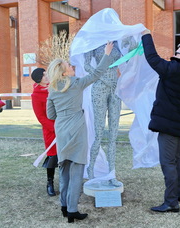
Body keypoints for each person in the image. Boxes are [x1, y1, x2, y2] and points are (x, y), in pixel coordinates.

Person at [46, 42, 114, 223]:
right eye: (69, 66)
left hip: (61, 130)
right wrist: (107, 54)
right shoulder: (76, 83)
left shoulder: (52, 89)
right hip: (76, 130)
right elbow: (97, 73)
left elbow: (50, 114)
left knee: (64, 169)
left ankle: (64, 206)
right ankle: (72, 210)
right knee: (76, 171)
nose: (72, 66)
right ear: (63, 72)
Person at [141, 29, 180, 213]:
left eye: (177, 52)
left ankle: (171, 202)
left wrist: (146, 36)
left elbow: (153, 59)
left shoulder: (176, 69)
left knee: (168, 162)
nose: (174, 55)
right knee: (176, 159)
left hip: (169, 124)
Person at [83, 41, 122, 186]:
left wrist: (133, 45)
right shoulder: (94, 41)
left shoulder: (117, 42)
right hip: (100, 87)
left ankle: (112, 173)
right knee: (99, 132)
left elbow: (128, 59)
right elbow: (86, 65)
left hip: (115, 88)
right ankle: (91, 170)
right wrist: (103, 78)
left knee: (113, 134)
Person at [31, 68, 57, 196]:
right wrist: (53, 128)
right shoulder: (36, 95)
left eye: (47, 74)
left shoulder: (54, 88)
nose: (47, 76)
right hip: (50, 130)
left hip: (63, 125)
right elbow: (40, 116)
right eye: (43, 75)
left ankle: (66, 181)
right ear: (38, 79)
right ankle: (50, 182)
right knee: (53, 155)